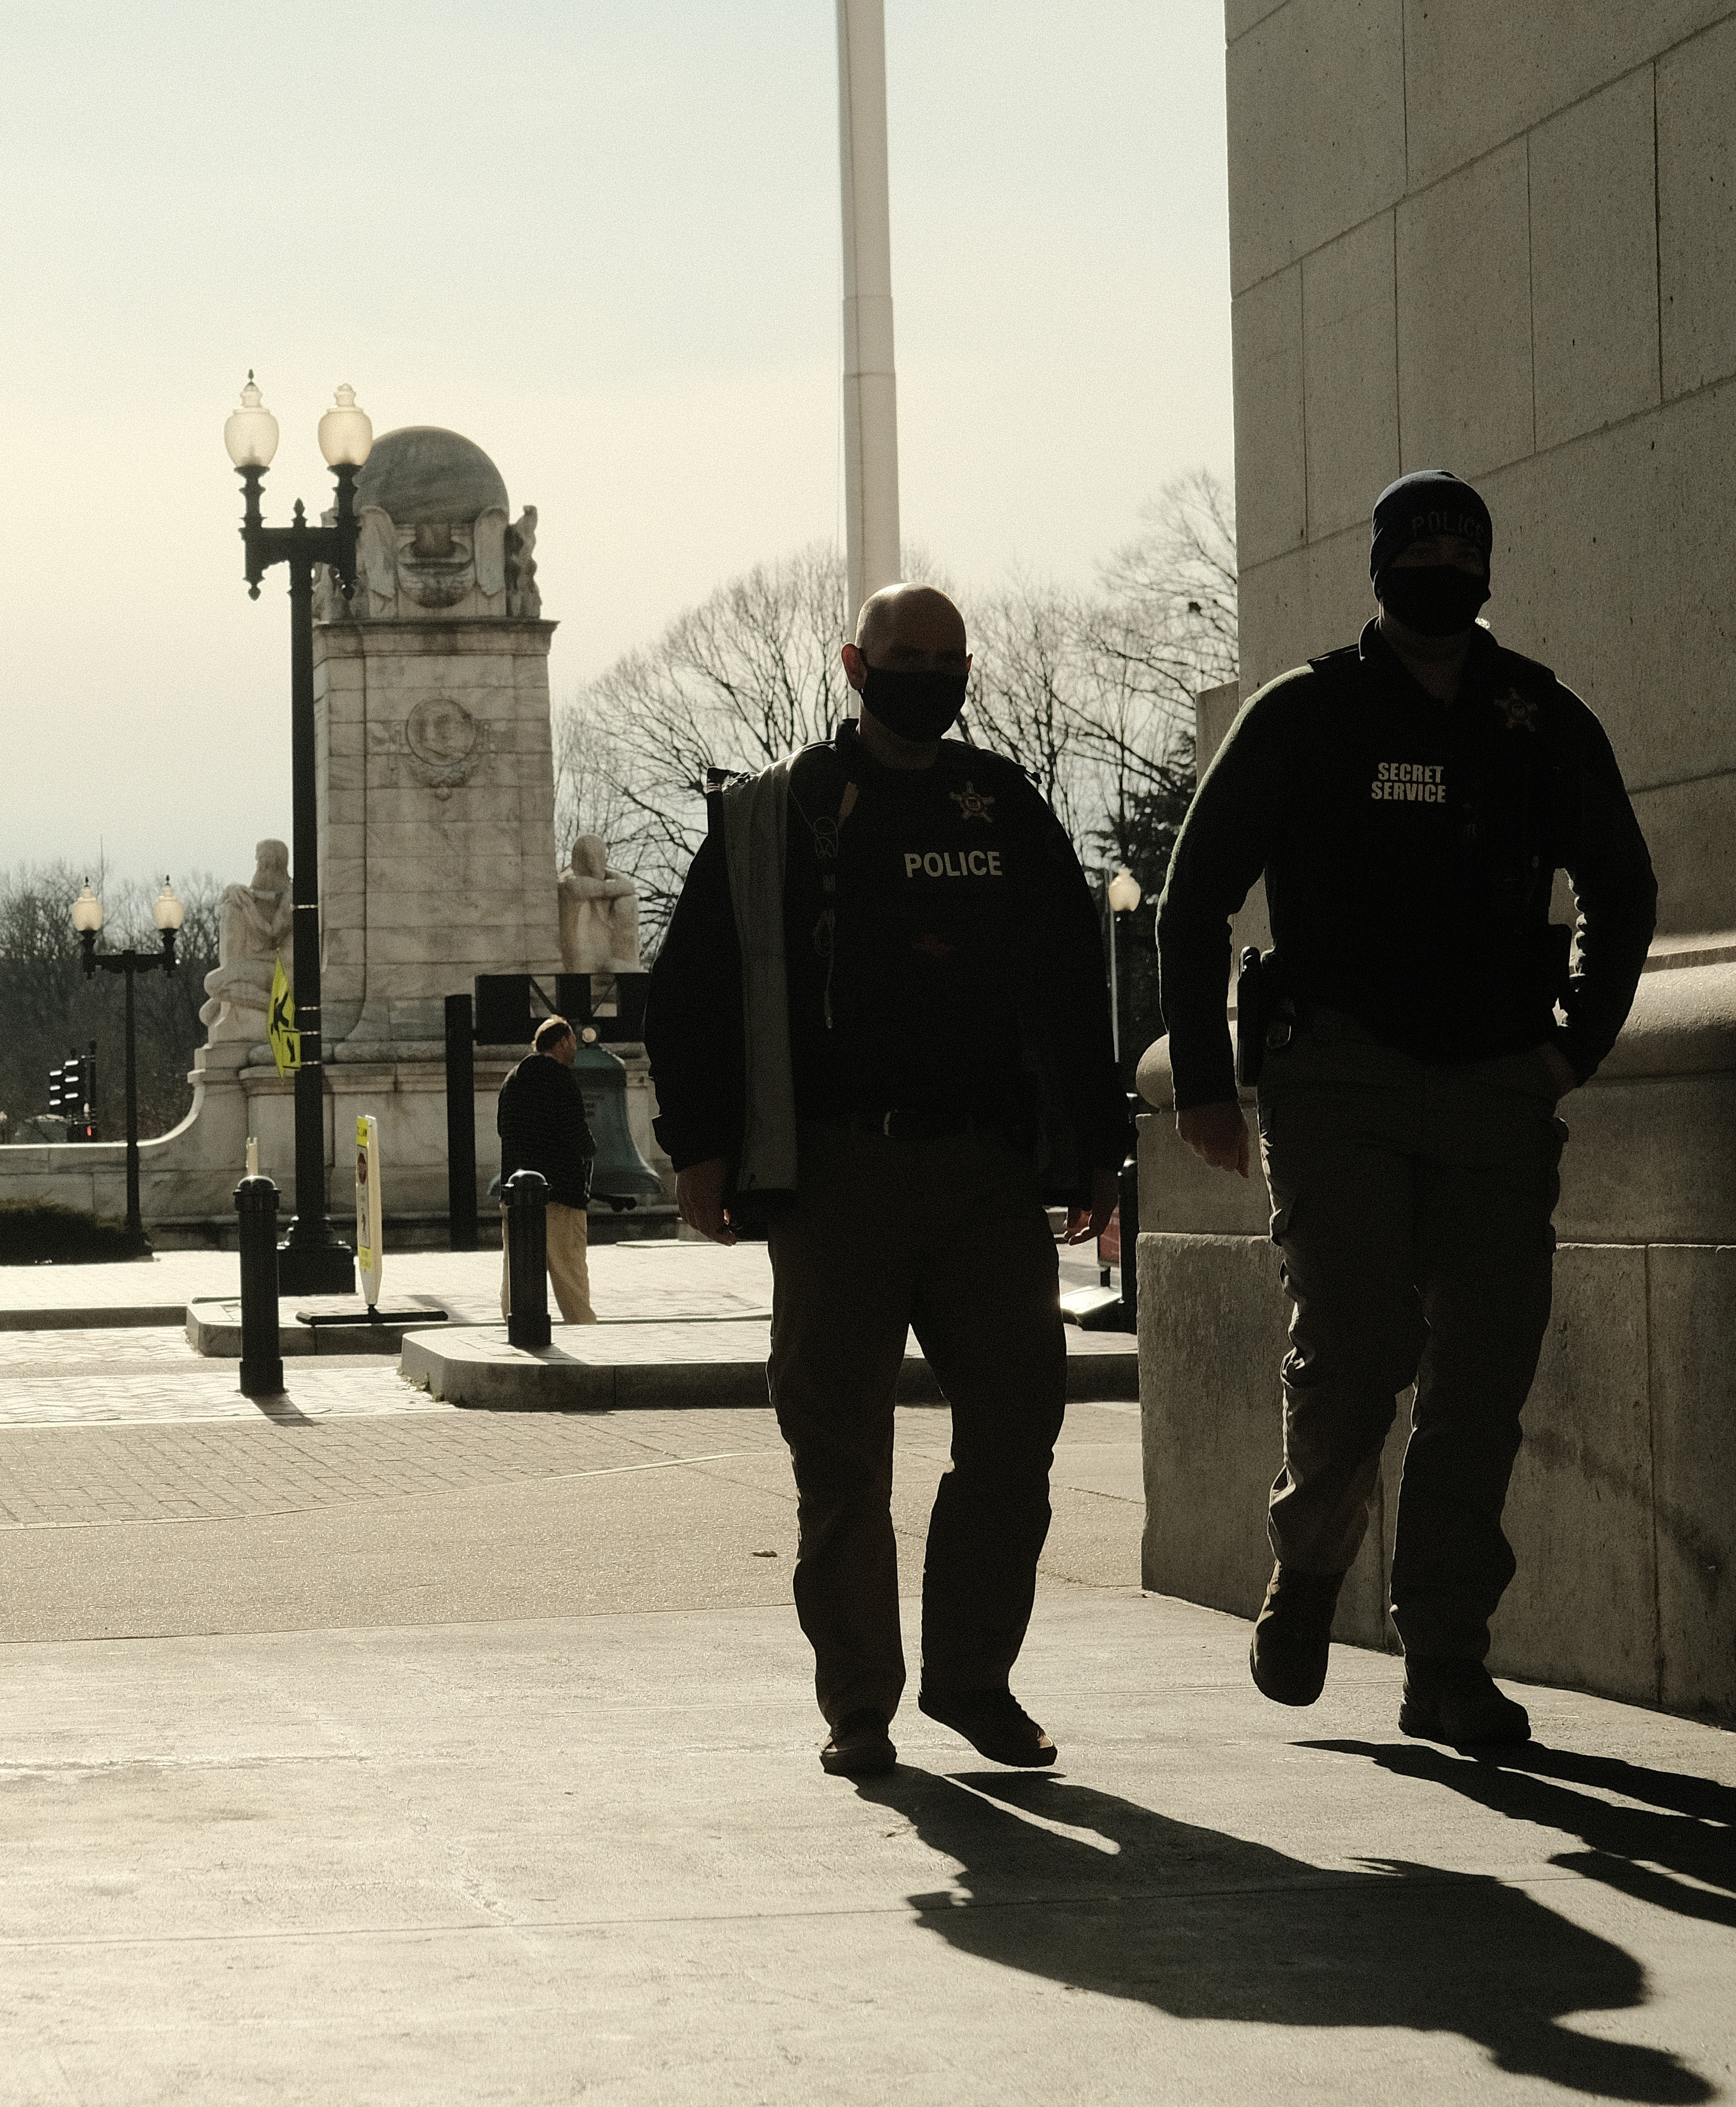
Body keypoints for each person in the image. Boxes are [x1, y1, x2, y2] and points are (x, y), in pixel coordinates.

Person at [1160, 471, 1656, 1751]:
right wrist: (1206, 1090)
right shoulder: (1306, 712)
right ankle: (1307, 1577)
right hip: (1339, 1081)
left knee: (1479, 1376)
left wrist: (1569, 1053)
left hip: (1496, 1085)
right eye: (1416, 545)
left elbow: (1619, 886)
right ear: (1377, 567)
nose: (1439, 562)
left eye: (1458, 546)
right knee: (1356, 1346)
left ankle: (1443, 1658)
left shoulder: (1534, 717)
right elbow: (1190, 898)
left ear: (1483, 570)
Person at [645, 581, 1127, 1780]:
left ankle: (972, 1682)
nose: (926, 672)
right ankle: (857, 1702)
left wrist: (1096, 1145)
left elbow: (1072, 984)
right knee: (840, 1453)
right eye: (902, 655)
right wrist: (697, 1145)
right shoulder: (780, 813)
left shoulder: (1003, 803)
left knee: (1014, 1434)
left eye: (945, 656)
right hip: (835, 1170)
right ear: (855, 666)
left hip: (983, 1170)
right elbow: (691, 988)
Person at [495, 1015, 598, 1323]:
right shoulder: (561, 1078)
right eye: (574, 1043)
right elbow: (576, 1132)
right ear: (563, 1041)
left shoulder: (512, 1079)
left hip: (517, 1192)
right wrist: (589, 1150)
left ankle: (517, 1323)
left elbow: (505, 1129)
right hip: (561, 1191)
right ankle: (584, 1328)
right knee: (570, 1270)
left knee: (517, 1266)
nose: (576, 1050)